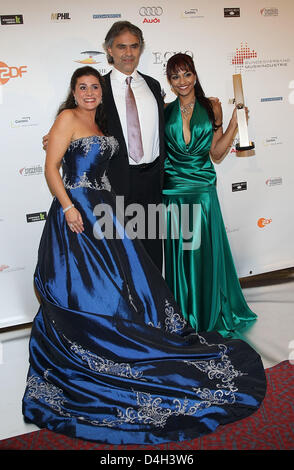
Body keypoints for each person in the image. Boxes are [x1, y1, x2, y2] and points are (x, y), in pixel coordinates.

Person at [22, 65, 266, 445]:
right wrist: (69, 207)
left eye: (93, 87)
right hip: (77, 215)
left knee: (124, 280)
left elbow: (109, 159)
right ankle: (88, 343)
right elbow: (52, 169)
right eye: (82, 87)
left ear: (101, 93)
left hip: (103, 211)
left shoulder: (101, 122)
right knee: (84, 283)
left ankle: (128, 335)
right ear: (73, 91)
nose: (89, 92)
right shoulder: (68, 117)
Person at [43, 21, 165, 271]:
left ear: (140, 49)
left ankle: (154, 307)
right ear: (109, 50)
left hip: (153, 180)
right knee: (124, 257)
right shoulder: (99, 88)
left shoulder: (153, 85)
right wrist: (56, 138)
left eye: (134, 46)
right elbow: (81, 124)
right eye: (121, 47)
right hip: (116, 184)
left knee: (153, 252)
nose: (128, 53)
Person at [162, 53, 257, 338]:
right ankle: (183, 314)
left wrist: (233, 124)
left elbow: (215, 154)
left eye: (187, 74)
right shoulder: (163, 110)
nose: (182, 81)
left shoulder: (211, 107)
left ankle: (207, 312)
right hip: (173, 191)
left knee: (202, 254)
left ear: (195, 75)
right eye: (176, 76)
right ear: (169, 80)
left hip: (202, 192)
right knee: (180, 256)